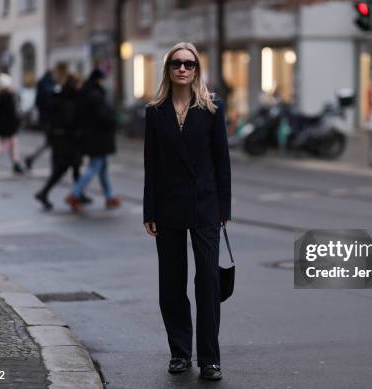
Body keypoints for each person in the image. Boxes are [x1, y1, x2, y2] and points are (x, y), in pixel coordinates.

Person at [143, 42, 231, 381]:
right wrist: (149, 209)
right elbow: (151, 164)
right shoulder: (155, 111)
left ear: (196, 70)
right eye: (177, 63)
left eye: (189, 64)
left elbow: (222, 161)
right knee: (172, 283)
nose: (183, 68)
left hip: (205, 205)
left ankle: (210, 358)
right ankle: (180, 352)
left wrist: (224, 207)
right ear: (168, 69)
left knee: (208, 280)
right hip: (167, 207)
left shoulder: (211, 108)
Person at [64, 69, 121, 211]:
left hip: (92, 137)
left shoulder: (86, 93)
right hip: (99, 138)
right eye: (102, 79)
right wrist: (113, 120)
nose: (104, 82)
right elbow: (103, 117)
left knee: (102, 168)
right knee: (94, 166)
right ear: (98, 80)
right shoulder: (95, 95)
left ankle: (109, 196)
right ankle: (74, 194)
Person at [34, 73, 84, 211]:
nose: (80, 87)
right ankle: (44, 192)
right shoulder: (69, 99)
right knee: (62, 169)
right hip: (66, 141)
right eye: (78, 84)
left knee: (75, 168)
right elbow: (69, 121)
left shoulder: (60, 96)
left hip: (60, 139)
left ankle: (78, 195)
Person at [25, 69, 57, 170]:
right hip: (49, 119)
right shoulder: (48, 86)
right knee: (52, 143)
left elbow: (38, 102)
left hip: (45, 118)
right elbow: (50, 102)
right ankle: (55, 167)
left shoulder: (43, 84)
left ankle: (31, 159)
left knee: (51, 143)